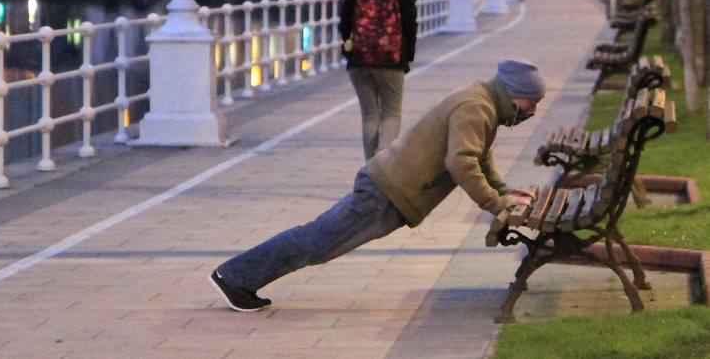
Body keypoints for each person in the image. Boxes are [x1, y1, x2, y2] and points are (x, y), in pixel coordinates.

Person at [209, 59, 546, 312]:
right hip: (384, 193)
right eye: (531, 105)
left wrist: (502, 191)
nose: (531, 112)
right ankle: (235, 278)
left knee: (317, 243)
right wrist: (495, 203)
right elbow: (461, 162)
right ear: (516, 94)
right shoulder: (477, 107)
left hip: (386, 191)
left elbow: (480, 154)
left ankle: (239, 277)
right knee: (315, 242)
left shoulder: (482, 101)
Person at [337, 0, 418, 160]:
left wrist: (348, 45)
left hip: (359, 57)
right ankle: (383, 163)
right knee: (391, 113)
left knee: (369, 115)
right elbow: (410, 23)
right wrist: (407, 55)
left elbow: (345, 18)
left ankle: (370, 170)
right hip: (391, 58)